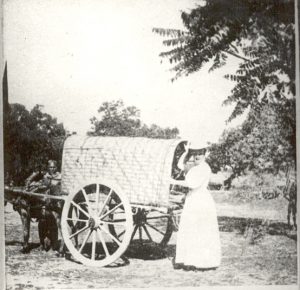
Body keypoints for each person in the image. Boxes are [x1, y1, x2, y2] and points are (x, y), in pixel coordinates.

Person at [170, 144, 221, 271]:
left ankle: (202, 263)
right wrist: (187, 152)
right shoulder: (195, 167)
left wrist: (172, 182)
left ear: (205, 154)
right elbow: (180, 165)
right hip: (193, 200)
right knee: (191, 229)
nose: (197, 156)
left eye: (200, 153)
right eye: (195, 153)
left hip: (201, 201)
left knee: (200, 230)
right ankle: (190, 260)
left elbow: (191, 184)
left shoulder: (204, 168)